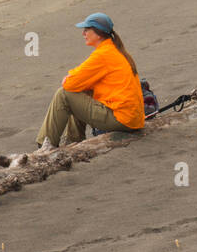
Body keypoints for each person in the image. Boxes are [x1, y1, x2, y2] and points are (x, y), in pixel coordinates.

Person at [36, 12, 144, 151]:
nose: (83, 33)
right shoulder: (113, 50)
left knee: (63, 94)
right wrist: (73, 78)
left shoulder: (103, 55)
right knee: (79, 92)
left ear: (98, 34)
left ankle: (44, 145)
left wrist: (68, 78)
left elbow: (69, 85)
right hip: (132, 118)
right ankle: (72, 143)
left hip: (122, 119)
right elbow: (81, 79)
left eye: (87, 30)